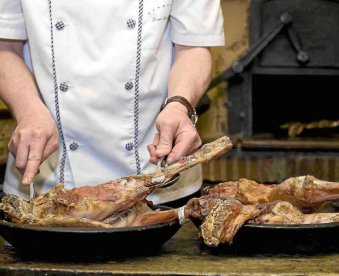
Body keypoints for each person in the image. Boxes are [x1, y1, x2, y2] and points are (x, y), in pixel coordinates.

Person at [0, 1, 224, 204]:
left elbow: (194, 47)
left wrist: (178, 105)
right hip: (47, 181)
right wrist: (28, 110)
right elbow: (5, 47)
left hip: (158, 180)